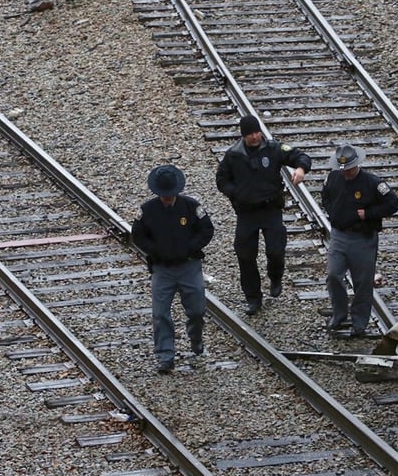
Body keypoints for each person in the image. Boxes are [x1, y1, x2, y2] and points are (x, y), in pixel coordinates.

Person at [215, 115, 311, 315]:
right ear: (243, 135)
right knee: (245, 256)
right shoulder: (233, 155)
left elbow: (300, 156)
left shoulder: (274, 149)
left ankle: (275, 277)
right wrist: (236, 193)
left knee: (276, 250)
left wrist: (301, 169)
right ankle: (253, 298)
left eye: (257, 132)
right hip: (247, 213)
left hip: (271, 210)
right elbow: (221, 180)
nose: (255, 136)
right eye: (250, 134)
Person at [132, 165, 214, 375]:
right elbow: (138, 235)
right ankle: (165, 356)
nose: (167, 198)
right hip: (162, 269)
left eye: (170, 194)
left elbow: (207, 229)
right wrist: (155, 251)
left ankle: (196, 337)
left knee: (197, 310)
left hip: (189, 266)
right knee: (160, 314)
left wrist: (190, 247)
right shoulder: (147, 210)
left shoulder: (191, 207)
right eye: (164, 195)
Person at [320, 144, 398, 337]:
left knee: (363, 283)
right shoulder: (333, 178)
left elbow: (393, 203)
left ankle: (359, 323)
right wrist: (333, 213)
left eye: (349, 169)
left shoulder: (372, 183)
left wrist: (369, 214)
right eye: (343, 169)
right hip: (339, 235)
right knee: (333, 275)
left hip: (363, 238)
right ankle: (339, 314)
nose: (346, 173)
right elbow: (325, 196)